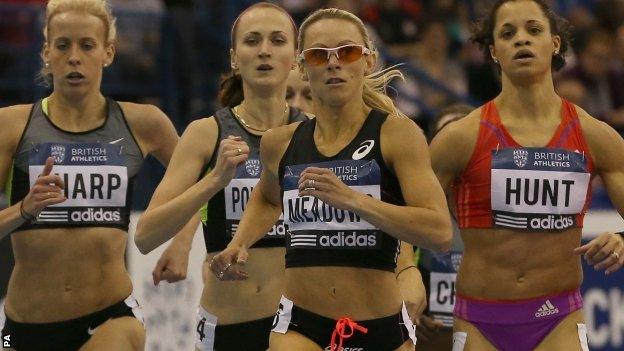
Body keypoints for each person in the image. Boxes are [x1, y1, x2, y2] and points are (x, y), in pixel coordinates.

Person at [210, 8, 452, 351]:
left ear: (368, 61)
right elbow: (267, 197)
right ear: (301, 66)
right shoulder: (280, 143)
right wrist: (240, 242)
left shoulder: (397, 134)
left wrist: (355, 201)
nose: (333, 63)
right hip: (300, 324)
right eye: (319, 55)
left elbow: (439, 232)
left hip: (379, 328)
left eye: (347, 52)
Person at [429, 1, 624, 350]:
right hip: (479, 321)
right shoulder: (460, 139)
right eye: (508, 33)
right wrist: (407, 278)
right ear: (493, 51)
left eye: (533, 30)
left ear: (555, 44)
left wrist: (623, 239)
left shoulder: (596, 136)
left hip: (558, 318)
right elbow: (409, 218)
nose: (521, 40)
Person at [0, 0, 187, 350]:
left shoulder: (143, 122)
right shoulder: (11, 126)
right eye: (62, 45)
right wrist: (24, 209)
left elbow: (201, 186)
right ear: (46, 53)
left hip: (110, 314)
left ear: (108, 52)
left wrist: (182, 243)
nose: (74, 57)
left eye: (87, 45)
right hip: (22, 326)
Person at [133, 3, 307, 350]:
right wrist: (213, 180)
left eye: (277, 40)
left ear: (295, 59)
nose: (264, 50)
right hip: (229, 323)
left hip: (300, 326)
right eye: (252, 41)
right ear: (233, 58)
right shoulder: (206, 133)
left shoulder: (314, 131)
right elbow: (146, 236)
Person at [416, 104, 473, 351]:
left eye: (464, 132)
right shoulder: (413, 207)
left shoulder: (505, 210)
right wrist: (404, 311)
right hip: (430, 341)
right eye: (447, 134)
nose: (456, 143)